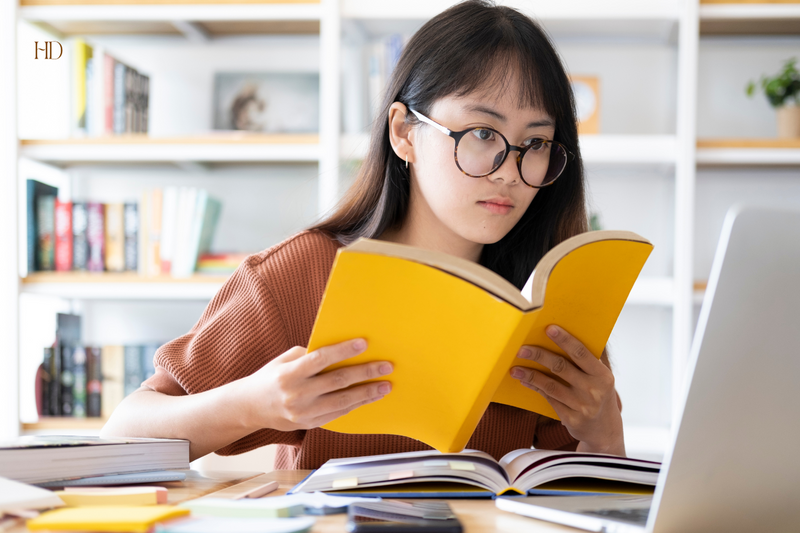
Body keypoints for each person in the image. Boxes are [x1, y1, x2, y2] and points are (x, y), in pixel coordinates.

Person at [101, 0, 625, 469]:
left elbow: (583, 502)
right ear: (404, 132)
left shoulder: (550, 304)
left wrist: (604, 434)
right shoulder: (303, 273)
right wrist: (257, 403)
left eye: (535, 143)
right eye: (484, 133)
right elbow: (121, 436)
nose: (509, 170)